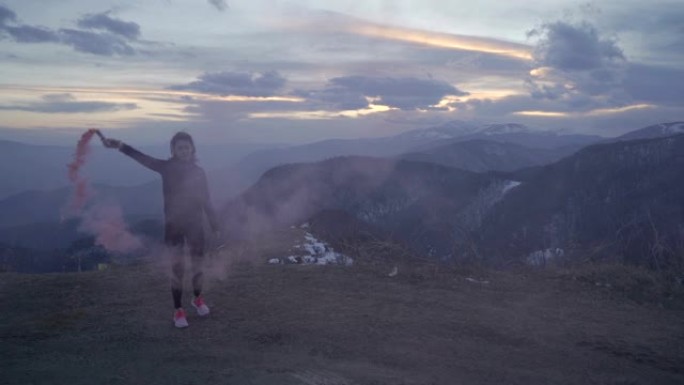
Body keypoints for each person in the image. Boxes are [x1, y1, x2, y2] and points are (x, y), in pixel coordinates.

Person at [104, 132, 220, 328]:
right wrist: (120, 145)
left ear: (192, 149)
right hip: (174, 226)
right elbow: (142, 158)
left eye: (187, 147)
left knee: (198, 264)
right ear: (173, 150)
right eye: (179, 147)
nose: (184, 151)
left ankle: (198, 298)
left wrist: (215, 225)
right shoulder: (167, 168)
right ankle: (178, 310)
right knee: (178, 268)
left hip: (195, 225)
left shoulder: (199, 173)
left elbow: (206, 200)